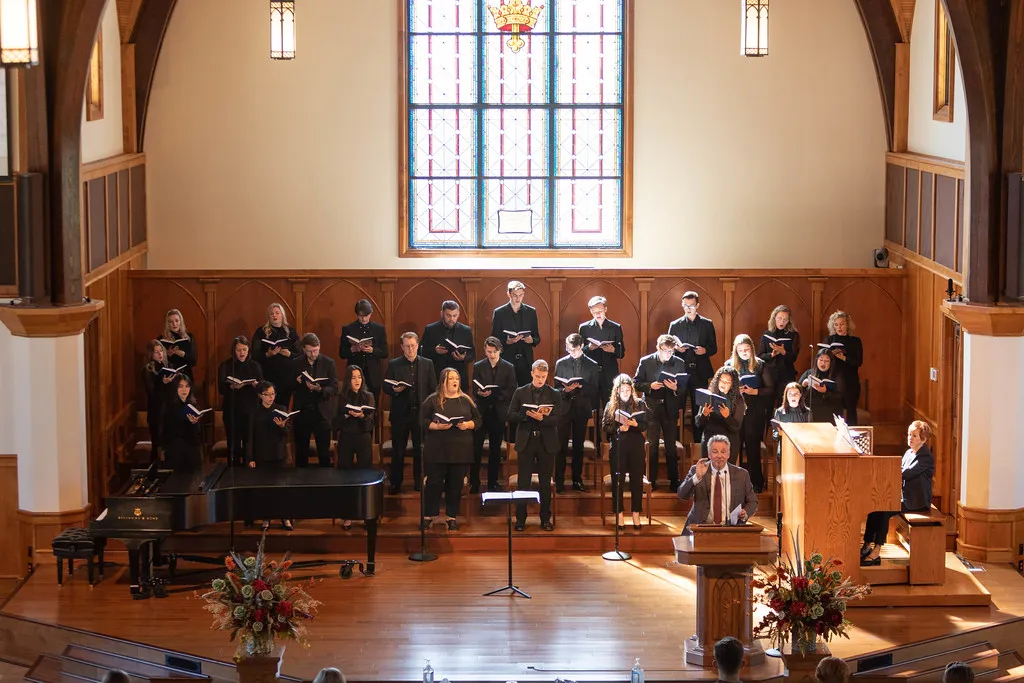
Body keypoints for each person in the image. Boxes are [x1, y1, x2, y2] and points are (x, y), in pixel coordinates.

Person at [861, 420, 935, 565]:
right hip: (904, 496)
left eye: (914, 436)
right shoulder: (909, 452)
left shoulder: (925, 457)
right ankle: (866, 545)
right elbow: (899, 470)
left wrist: (885, 472)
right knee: (874, 507)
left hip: (916, 501)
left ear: (924, 439)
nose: (910, 438)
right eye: (909, 435)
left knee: (883, 509)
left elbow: (905, 474)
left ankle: (876, 552)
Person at [420, 367, 481, 531]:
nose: (455, 381)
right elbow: (422, 420)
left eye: (457, 378)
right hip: (437, 449)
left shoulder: (466, 400)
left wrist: (467, 424)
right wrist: (436, 426)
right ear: (443, 382)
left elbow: (478, 420)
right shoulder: (433, 400)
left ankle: (451, 516)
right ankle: (428, 515)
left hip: (460, 450)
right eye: (451, 379)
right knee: (433, 483)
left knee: (455, 484)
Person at [508, 360, 562, 531]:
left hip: (546, 441)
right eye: (537, 376)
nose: (540, 380)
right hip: (527, 441)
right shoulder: (520, 392)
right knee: (524, 482)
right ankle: (521, 519)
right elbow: (510, 415)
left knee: (545, 483)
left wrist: (543, 419)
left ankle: (545, 519)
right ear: (532, 373)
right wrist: (527, 416)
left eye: (544, 377)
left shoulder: (554, 394)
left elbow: (558, 419)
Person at [383, 332, 438, 494]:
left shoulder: (427, 364)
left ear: (417, 345)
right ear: (402, 347)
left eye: (413, 345)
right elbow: (385, 386)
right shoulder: (394, 364)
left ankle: (418, 481)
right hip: (400, 413)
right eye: (407, 346)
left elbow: (433, 388)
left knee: (419, 449)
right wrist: (394, 389)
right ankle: (396, 482)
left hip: (420, 413)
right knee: (398, 449)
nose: (410, 349)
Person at [634, 334, 688, 491]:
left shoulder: (679, 362)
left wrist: (675, 388)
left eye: (671, 351)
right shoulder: (646, 361)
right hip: (652, 407)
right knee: (652, 445)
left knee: (671, 446)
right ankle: (651, 479)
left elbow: (684, 387)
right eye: (665, 350)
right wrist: (650, 386)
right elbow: (635, 383)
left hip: (669, 407)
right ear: (658, 348)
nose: (668, 354)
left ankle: (674, 480)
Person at [678, 435, 759, 531]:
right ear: (709, 454)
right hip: (699, 528)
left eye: (723, 452)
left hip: (730, 529)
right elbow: (682, 495)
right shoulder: (697, 470)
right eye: (715, 452)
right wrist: (697, 477)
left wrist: (745, 513)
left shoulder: (742, 474)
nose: (719, 456)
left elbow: (753, 501)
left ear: (728, 454)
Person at [667, 291, 717, 444]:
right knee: (678, 407)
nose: (688, 309)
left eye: (691, 306)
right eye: (685, 306)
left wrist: (705, 350)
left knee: (699, 409)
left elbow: (714, 348)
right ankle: (676, 442)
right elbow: (668, 347)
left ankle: (698, 444)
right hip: (681, 371)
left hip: (699, 371)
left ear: (697, 306)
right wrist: (676, 349)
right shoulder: (675, 325)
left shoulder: (707, 324)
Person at [553, 333, 600, 492]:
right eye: (569, 350)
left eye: (575, 350)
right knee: (560, 446)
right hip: (564, 408)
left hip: (581, 408)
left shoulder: (592, 365)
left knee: (578, 446)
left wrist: (581, 387)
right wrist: (565, 390)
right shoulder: (561, 363)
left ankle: (577, 480)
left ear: (581, 347)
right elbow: (555, 389)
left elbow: (595, 391)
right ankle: (559, 481)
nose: (572, 353)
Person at [470, 336, 518, 493]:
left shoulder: (508, 367)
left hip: (498, 412)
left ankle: (493, 482)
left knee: (495, 449)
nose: (490, 355)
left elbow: (512, 390)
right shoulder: (478, 366)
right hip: (482, 412)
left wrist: (495, 394)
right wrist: (480, 393)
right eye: (488, 351)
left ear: (500, 350)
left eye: (493, 352)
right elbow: (474, 388)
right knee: (476, 448)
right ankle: (474, 481)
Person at [602, 374, 648, 530]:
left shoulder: (640, 404)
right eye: (623, 390)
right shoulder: (611, 405)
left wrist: (636, 424)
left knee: (637, 480)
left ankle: (636, 513)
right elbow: (605, 427)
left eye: (628, 389)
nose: (626, 392)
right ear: (617, 390)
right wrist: (617, 428)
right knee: (618, 481)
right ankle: (619, 513)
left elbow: (646, 424)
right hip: (619, 445)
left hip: (636, 445)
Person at [724, 334, 770, 492]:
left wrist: (754, 391)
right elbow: (722, 388)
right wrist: (735, 390)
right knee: (734, 446)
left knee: (752, 447)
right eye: (741, 350)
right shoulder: (729, 365)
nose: (744, 352)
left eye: (747, 349)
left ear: (752, 349)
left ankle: (756, 482)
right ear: (736, 350)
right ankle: (735, 483)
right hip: (735, 411)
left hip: (754, 411)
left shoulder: (760, 365)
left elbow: (770, 389)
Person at [247, 381, 292, 530]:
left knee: (281, 488)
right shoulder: (254, 412)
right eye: (267, 394)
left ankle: (285, 517)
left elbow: (286, 434)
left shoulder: (280, 409)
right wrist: (250, 458)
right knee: (265, 489)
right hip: (262, 455)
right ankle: (266, 518)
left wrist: (282, 426)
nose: (271, 397)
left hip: (278, 454)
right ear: (260, 395)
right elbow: (250, 437)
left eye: (273, 394)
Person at [292, 333, 338, 468]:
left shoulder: (328, 363)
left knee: (323, 453)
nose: (313, 354)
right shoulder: (297, 363)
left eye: (315, 350)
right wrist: (296, 382)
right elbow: (288, 386)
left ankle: (324, 484)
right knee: (301, 452)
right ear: (303, 350)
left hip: (321, 413)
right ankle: (301, 484)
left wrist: (320, 389)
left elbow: (334, 388)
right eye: (309, 351)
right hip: (302, 412)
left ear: (319, 347)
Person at [217, 336, 264, 465]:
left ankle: (249, 474)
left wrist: (256, 385)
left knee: (249, 443)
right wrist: (231, 386)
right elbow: (221, 388)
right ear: (234, 350)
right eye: (238, 350)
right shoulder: (226, 365)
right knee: (233, 443)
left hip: (250, 409)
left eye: (244, 349)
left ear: (248, 349)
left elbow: (262, 386)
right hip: (232, 408)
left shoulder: (255, 366)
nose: (242, 353)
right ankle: (233, 472)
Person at [578, 295, 625, 411]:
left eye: (600, 311)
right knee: (591, 407)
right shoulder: (584, 328)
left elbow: (622, 352)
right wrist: (589, 347)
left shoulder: (615, 327)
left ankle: (610, 429)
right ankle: (593, 430)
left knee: (610, 406)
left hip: (609, 372)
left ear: (605, 309)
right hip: (591, 372)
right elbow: (579, 352)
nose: (598, 314)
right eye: (594, 312)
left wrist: (613, 350)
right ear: (591, 312)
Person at [491, 280, 541, 386]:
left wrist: (532, 340)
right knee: (506, 390)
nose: (518, 298)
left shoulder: (531, 312)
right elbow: (494, 339)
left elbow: (537, 337)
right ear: (508, 294)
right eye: (515, 295)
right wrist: (506, 341)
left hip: (525, 359)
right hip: (507, 358)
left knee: (525, 390)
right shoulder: (499, 313)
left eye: (520, 295)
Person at [252, 303, 300, 409]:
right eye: (272, 314)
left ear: (282, 315)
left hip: (286, 377)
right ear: (268, 317)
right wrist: (268, 354)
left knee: (283, 406)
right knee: (268, 407)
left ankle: (282, 424)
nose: (274, 316)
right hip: (268, 375)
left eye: (277, 313)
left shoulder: (291, 332)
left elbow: (301, 354)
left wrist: (290, 354)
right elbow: (254, 355)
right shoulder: (261, 332)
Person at [339, 299, 388, 401]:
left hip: (373, 375)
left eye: (366, 315)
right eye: (361, 316)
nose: (364, 318)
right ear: (357, 315)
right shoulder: (348, 329)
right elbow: (342, 353)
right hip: (354, 373)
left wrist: (372, 350)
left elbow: (385, 352)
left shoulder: (379, 329)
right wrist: (352, 349)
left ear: (370, 314)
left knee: (373, 406)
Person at [420, 300, 475, 389]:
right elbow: (420, 352)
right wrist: (434, 351)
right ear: (442, 314)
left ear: (458, 314)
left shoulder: (466, 330)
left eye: (454, 315)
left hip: (459, 377)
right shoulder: (430, 329)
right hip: (437, 377)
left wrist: (463, 358)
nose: (452, 319)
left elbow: (472, 354)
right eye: (448, 315)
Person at [694, 366, 745, 462]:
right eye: (721, 380)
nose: (723, 384)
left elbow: (736, 427)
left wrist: (727, 417)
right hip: (710, 439)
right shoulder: (709, 395)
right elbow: (698, 424)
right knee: (708, 472)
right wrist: (704, 414)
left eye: (727, 382)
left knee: (726, 474)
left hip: (729, 440)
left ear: (733, 385)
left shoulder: (738, 400)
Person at [757, 304, 801, 409]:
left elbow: (794, 357)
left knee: (784, 404)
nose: (782, 322)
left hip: (786, 373)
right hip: (769, 374)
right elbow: (759, 355)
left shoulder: (793, 335)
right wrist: (771, 354)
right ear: (774, 318)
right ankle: (768, 424)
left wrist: (783, 351)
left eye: (785, 320)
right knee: (768, 404)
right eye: (779, 318)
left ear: (789, 321)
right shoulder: (767, 334)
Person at [825, 310, 864, 425]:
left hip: (851, 381)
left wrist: (844, 358)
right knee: (835, 412)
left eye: (842, 324)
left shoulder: (855, 341)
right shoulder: (829, 340)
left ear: (847, 324)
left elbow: (858, 361)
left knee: (851, 411)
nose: (839, 327)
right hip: (834, 380)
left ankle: (852, 439)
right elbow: (822, 360)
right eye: (836, 325)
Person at [161, 376, 205, 470]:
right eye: (180, 386)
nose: (184, 389)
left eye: (187, 386)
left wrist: (194, 423)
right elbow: (165, 429)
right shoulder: (169, 405)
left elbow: (197, 433)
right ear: (175, 388)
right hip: (175, 448)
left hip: (192, 448)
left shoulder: (194, 405)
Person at [142, 339, 176, 462]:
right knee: (157, 443)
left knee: (170, 442)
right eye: (156, 352)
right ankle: (156, 472)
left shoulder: (168, 366)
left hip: (169, 409)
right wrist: (162, 383)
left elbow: (172, 390)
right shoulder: (148, 370)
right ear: (151, 354)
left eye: (161, 351)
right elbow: (152, 392)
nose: (160, 354)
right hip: (156, 411)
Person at [336, 365, 375, 470]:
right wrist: (346, 415)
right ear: (348, 380)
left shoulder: (369, 396)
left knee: (365, 470)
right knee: (344, 470)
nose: (357, 380)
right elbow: (335, 421)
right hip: (346, 435)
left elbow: (370, 423)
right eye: (353, 378)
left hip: (363, 435)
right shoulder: (342, 396)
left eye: (359, 377)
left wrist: (362, 416)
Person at [799, 349, 845, 423]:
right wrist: (803, 385)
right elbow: (797, 390)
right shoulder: (809, 373)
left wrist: (826, 392)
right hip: (812, 408)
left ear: (831, 362)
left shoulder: (837, 375)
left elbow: (840, 395)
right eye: (821, 360)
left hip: (830, 408)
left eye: (827, 361)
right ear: (816, 360)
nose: (823, 363)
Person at [771, 382, 811, 461]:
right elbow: (774, 435)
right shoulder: (779, 412)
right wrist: (779, 433)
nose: (793, 396)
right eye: (790, 394)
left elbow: (810, 434)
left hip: (802, 448)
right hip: (785, 449)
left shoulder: (807, 412)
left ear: (800, 395)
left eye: (796, 394)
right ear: (786, 396)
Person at [159, 308, 196, 380]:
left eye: (176, 321)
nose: (174, 324)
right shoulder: (161, 339)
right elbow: (157, 361)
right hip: (169, 376)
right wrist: (166, 355)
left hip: (185, 375)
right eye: (170, 322)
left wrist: (184, 355)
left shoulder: (189, 337)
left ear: (181, 322)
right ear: (167, 324)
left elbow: (193, 361)